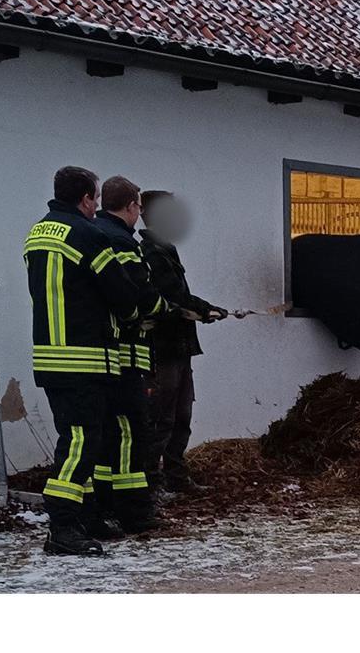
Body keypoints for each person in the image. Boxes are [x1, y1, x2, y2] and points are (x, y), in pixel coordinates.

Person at [25, 166, 146, 555]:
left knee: (78, 439)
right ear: (87, 199)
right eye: (94, 198)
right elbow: (123, 296)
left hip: (50, 356)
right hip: (85, 358)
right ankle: (62, 527)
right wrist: (132, 315)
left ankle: (87, 516)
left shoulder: (38, 233)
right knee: (80, 442)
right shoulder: (87, 235)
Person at [92, 176, 174, 532]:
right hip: (126, 355)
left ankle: (106, 504)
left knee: (109, 434)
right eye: (138, 206)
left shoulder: (95, 234)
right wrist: (163, 310)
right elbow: (140, 294)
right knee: (130, 432)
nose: (139, 212)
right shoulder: (123, 242)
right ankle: (134, 512)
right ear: (130, 207)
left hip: (104, 356)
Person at [140, 190, 229, 494]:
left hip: (179, 346)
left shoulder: (165, 249)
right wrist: (205, 308)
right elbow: (174, 295)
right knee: (162, 417)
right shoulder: (151, 252)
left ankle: (176, 476)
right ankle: (151, 482)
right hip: (163, 348)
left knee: (181, 415)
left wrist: (204, 309)